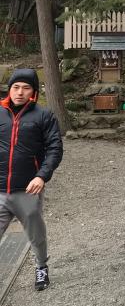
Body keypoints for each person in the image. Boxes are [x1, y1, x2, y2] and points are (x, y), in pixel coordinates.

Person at [0, 68, 63, 291]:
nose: (20, 92)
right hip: (0, 189)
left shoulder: (43, 116)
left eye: (26, 88)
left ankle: (41, 266)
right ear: (9, 89)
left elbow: (54, 149)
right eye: (16, 87)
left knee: (36, 234)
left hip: (27, 189)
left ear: (34, 92)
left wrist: (41, 176)